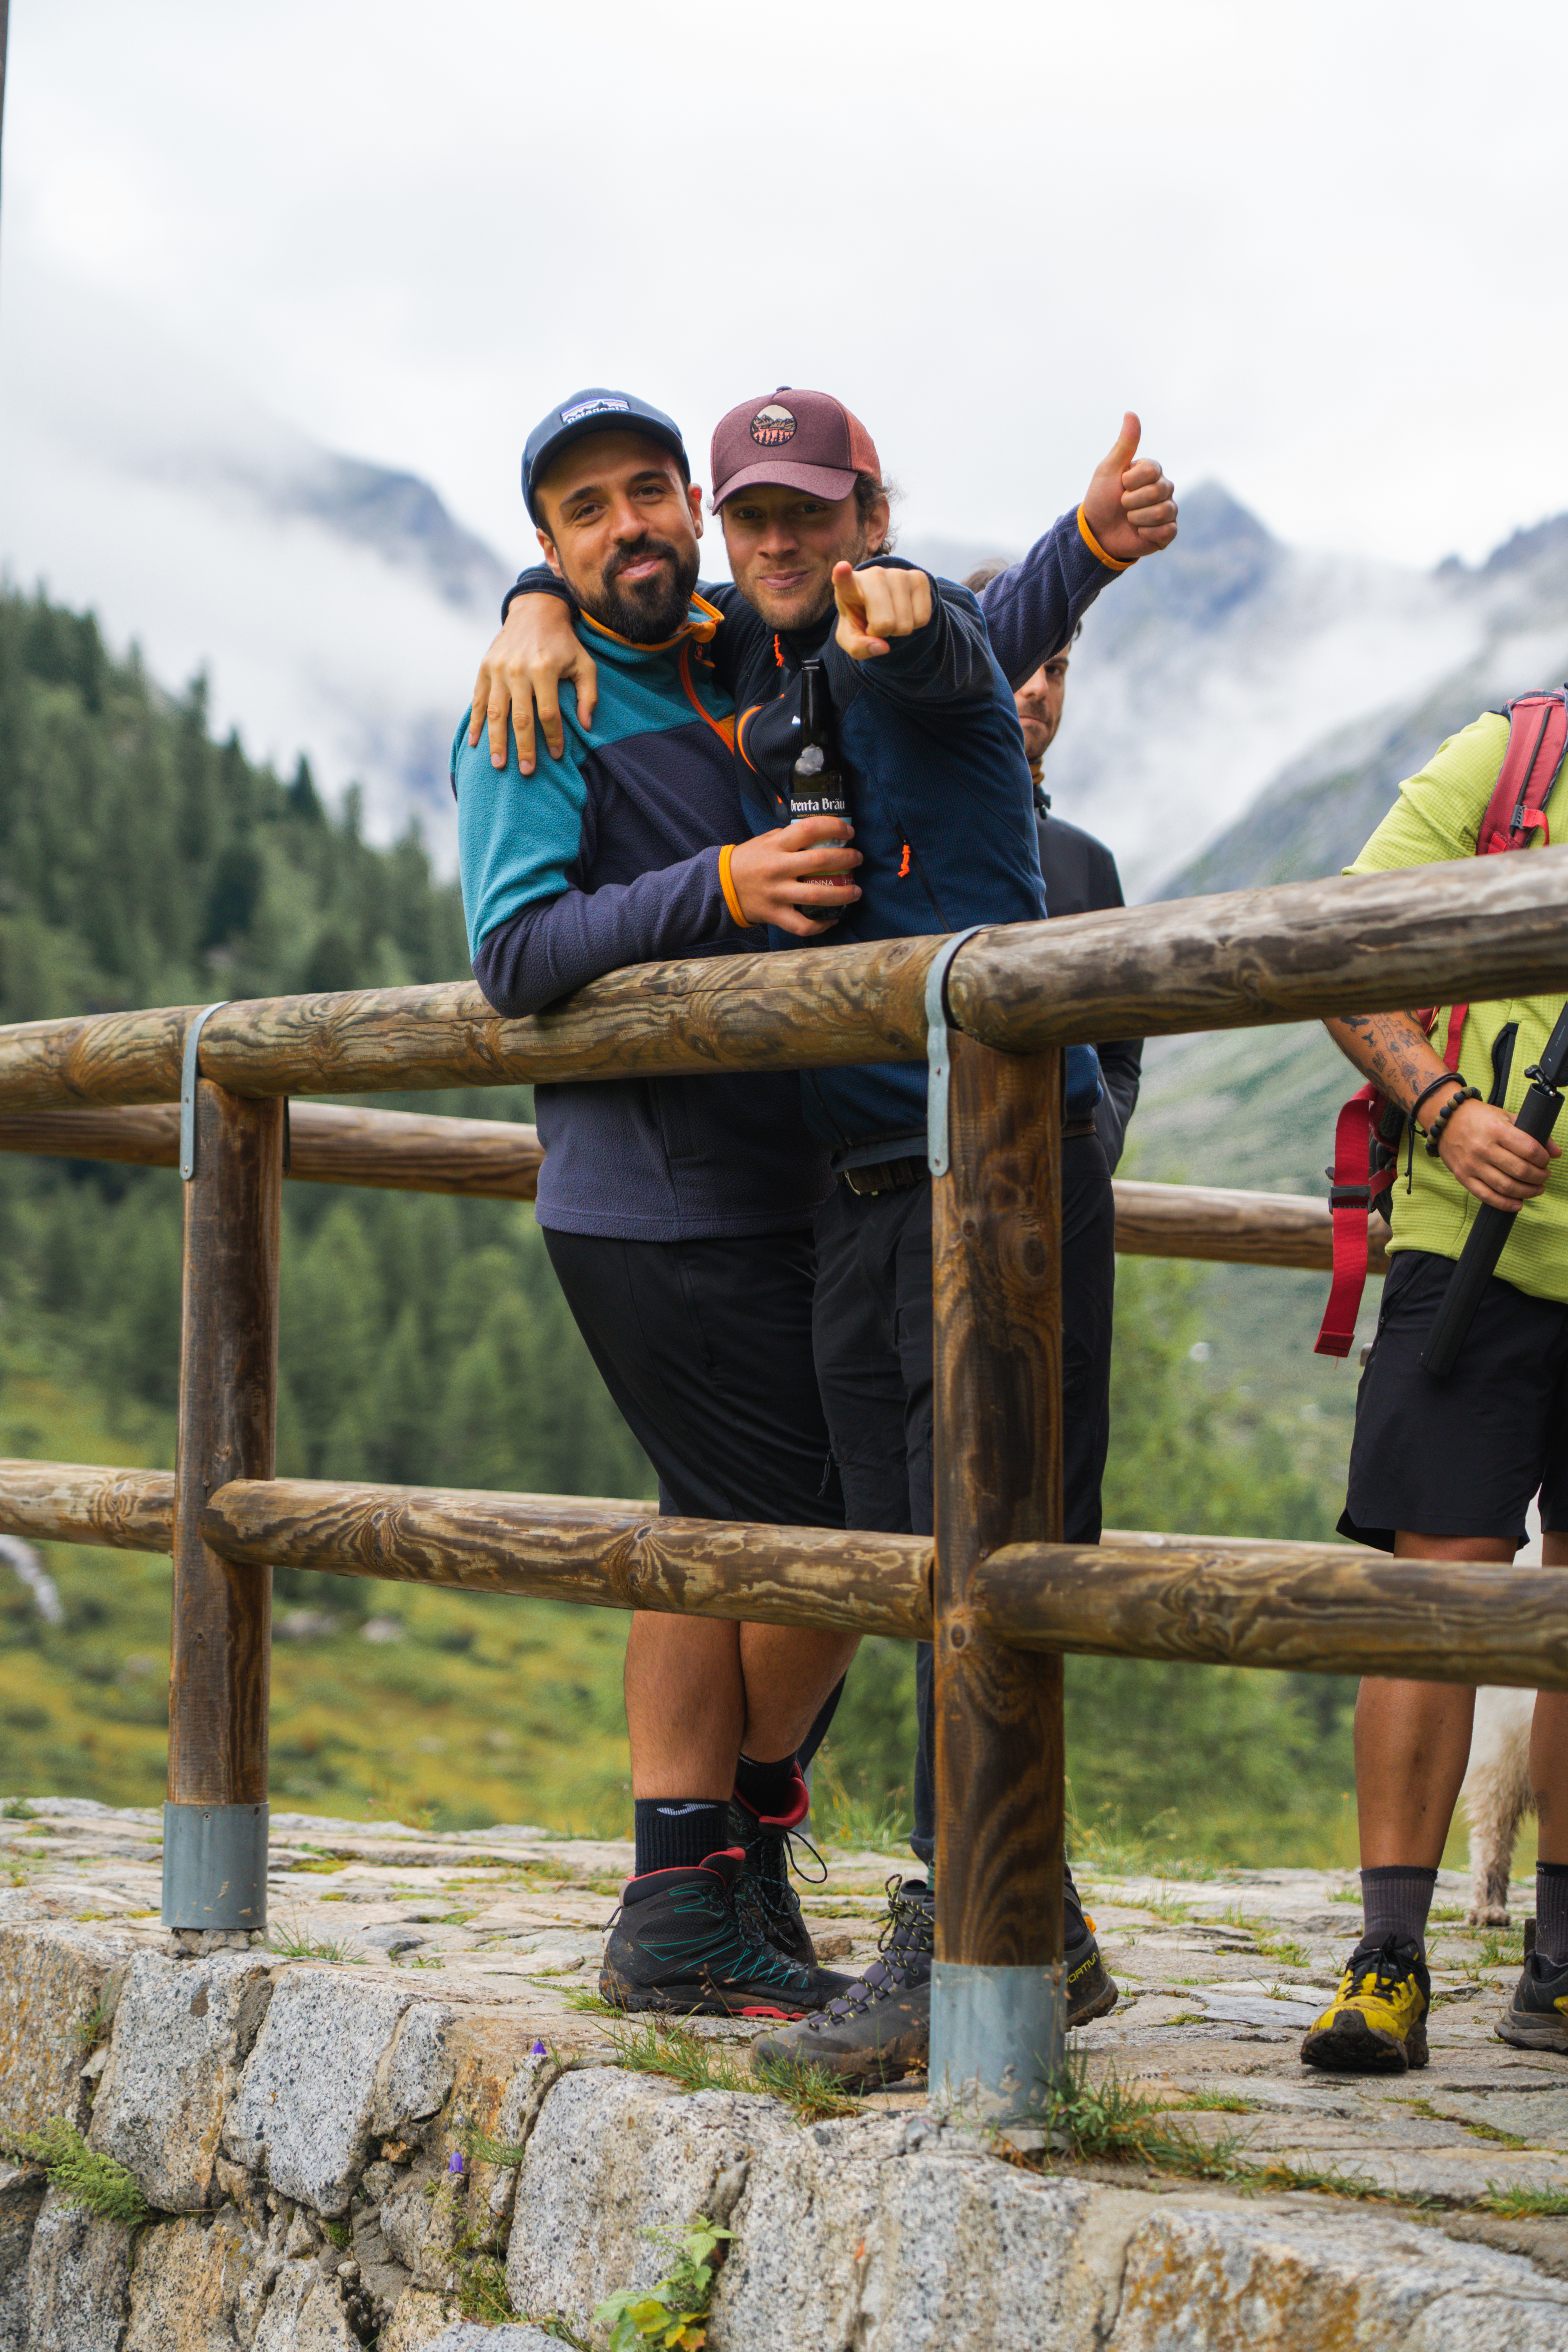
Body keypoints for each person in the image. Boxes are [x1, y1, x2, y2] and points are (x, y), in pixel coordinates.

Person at [482, 387, 1177, 2083]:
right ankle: (999, 1913)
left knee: (960, 1554)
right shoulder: (692, 666)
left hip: (972, 1174)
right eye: (752, 516)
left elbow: (947, 630)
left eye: (812, 511)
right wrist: (527, 604)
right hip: (853, 1183)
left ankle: (967, 1930)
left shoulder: (882, 627)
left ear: (868, 509)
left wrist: (1022, 573)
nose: (776, 541)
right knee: (913, 1553)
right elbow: (513, 957)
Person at [1301, 707, 1568, 2073]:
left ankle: (1561, 1965)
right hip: (1469, 1257)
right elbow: (1344, 943)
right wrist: (1447, 1112)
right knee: (1436, 1593)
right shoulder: (1514, 757)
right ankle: (1388, 1961)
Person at [963, 569, 1143, 1555]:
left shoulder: (1084, 863)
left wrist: (1091, 1144)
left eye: (1058, 667)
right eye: (1021, 660)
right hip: (928, 1205)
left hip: (1066, 1213)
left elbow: (1122, 1050)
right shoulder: (893, 836)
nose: (1036, 687)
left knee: (1065, 1496)